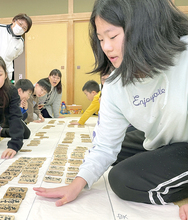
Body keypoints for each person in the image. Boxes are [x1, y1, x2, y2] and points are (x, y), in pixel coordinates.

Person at [33, 0, 188, 219]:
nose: (106, 47)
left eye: (113, 36)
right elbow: (105, 145)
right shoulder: (115, 83)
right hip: (166, 141)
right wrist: (77, 184)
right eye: (100, 39)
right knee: (118, 149)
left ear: (144, 27)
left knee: (122, 179)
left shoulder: (185, 57)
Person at [0, 13, 32, 80]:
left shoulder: (20, 43)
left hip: (5, 73)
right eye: (20, 24)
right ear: (14, 21)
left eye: (24, 28)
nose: (20, 28)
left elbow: (15, 56)